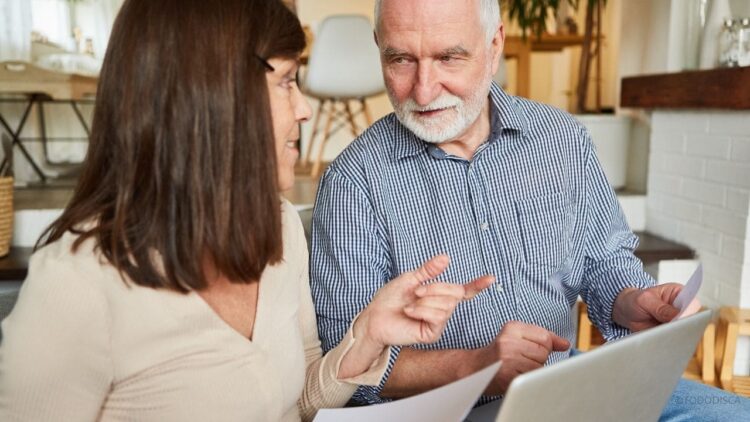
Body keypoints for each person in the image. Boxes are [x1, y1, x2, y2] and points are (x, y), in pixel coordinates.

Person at [0, 1, 494, 421]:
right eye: (286, 82)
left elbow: (295, 401)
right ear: (212, 95)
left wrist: (367, 335)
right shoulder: (78, 284)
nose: (304, 108)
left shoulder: (277, 227)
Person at [310, 0, 750, 418]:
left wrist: (632, 300)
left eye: (449, 58)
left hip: (563, 379)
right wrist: (474, 367)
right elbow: (348, 368)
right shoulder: (354, 183)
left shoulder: (562, 139)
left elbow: (603, 261)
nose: (423, 90)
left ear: (494, 45)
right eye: (400, 60)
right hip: (445, 409)